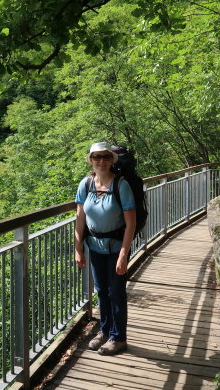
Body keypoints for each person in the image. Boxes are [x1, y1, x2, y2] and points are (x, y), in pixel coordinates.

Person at [74, 141, 136, 356]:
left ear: (111, 160)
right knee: (101, 291)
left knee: (116, 292)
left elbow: (131, 223)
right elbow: (80, 218)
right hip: (94, 247)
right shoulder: (86, 184)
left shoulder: (121, 185)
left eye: (105, 157)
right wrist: (78, 248)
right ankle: (105, 330)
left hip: (117, 247)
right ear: (91, 160)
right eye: (97, 157)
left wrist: (123, 255)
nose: (101, 161)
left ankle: (118, 337)